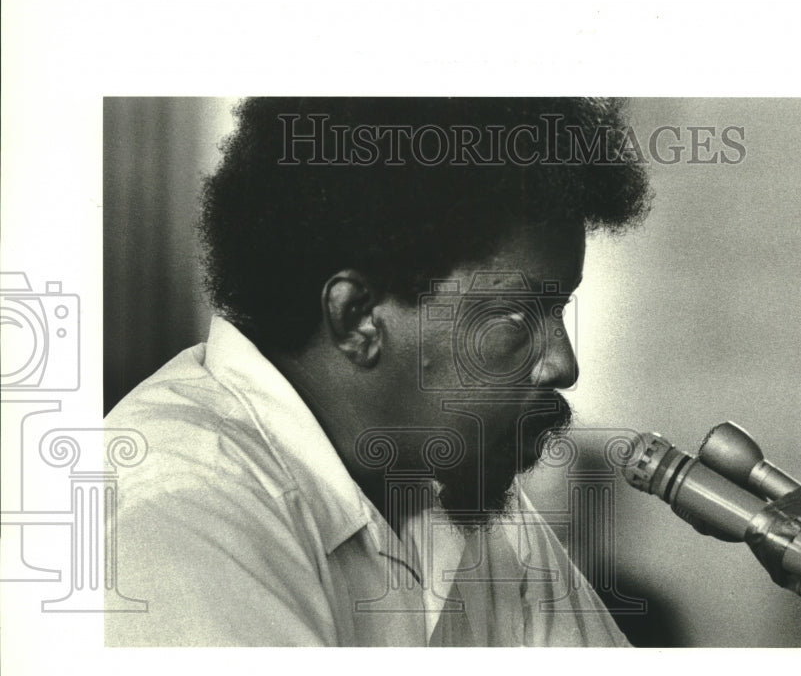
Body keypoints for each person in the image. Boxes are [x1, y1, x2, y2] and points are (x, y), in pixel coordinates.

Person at [105, 98, 650, 646]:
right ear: (358, 319)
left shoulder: (452, 487)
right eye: (515, 313)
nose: (564, 364)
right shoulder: (181, 504)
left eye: (560, 310)